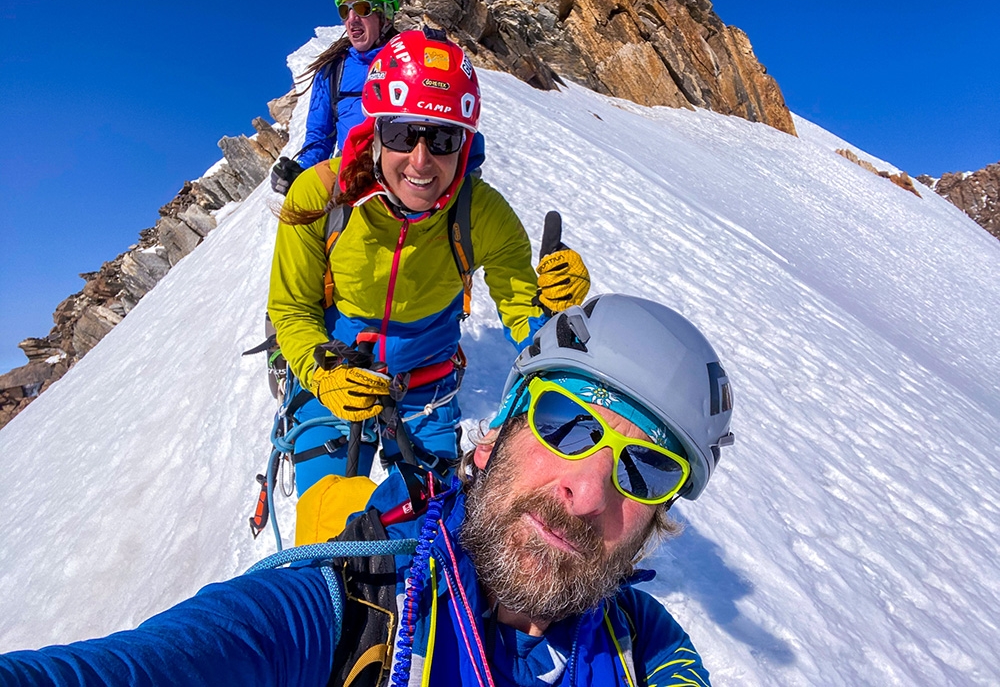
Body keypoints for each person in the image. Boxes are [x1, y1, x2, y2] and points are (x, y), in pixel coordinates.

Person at [0, 294, 736, 686]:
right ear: (498, 432)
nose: (586, 489)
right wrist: (316, 370)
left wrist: (536, 302)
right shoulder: (350, 613)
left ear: (655, 523)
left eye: (645, 470)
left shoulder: (643, 640)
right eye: (563, 423)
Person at [267, 28, 591, 495]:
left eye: (441, 139)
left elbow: (527, 323)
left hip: (426, 384)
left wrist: (560, 311)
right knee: (330, 526)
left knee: (425, 532)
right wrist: (321, 373)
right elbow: (292, 308)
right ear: (375, 132)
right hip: (335, 368)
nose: (420, 161)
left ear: (464, 144)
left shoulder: (483, 214)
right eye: (402, 133)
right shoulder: (321, 195)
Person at [270, 0, 400, 194]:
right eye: (344, 10)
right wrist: (299, 172)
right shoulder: (332, 71)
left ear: (386, 13)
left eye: (362, 7)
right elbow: (319, 138)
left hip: (409, 177)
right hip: (354, 182)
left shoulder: (412, 60)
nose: (352, 19)